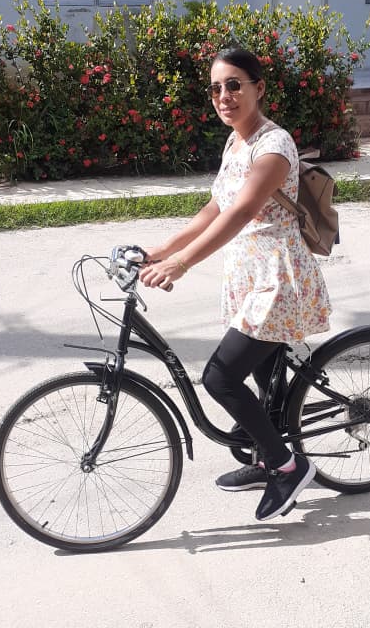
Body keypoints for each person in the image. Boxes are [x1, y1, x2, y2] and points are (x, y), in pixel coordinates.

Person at [139, 47, 331, 521]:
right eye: (215, 88)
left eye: (233, 85)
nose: (223, 96)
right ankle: (267, 457)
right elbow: (216, 208)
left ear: (258, 88)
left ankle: (287, 467)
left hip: (277, 281)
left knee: (220, 377)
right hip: (248, 278)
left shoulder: (273, 146)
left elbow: (243, 211)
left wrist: (182, 263)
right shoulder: (236, 142)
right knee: (264, 379)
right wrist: (160, 250)